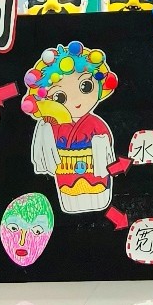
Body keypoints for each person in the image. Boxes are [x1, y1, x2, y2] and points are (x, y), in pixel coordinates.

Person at [23, 42, 120, 213]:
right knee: (70, 195)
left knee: (97, 193)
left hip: (95, 175)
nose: (76, 101)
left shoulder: (96, 124)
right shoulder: (50, 126)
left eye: (86, 86)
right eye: (59, 97)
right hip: (66, 176)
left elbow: (106, 151)